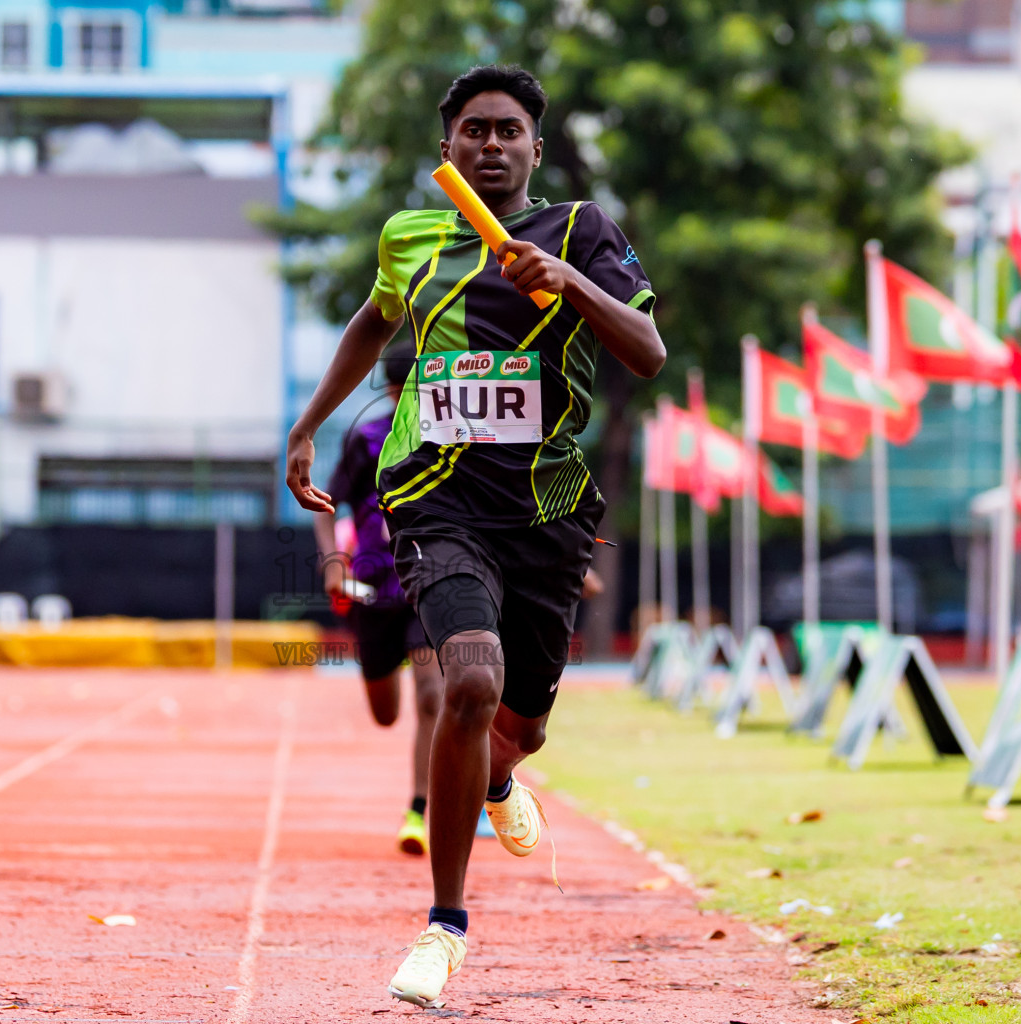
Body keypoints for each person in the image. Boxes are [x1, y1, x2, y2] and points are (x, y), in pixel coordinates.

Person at [284, 64, 664, 1008]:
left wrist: (568, 283)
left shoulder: (582, 233)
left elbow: (647, 354)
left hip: (544, 512)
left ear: (535, 148)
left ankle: (497, 780)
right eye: (472, 131)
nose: (489, 145)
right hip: (433, 499)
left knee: (520, 727)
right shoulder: (409, 238)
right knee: (469, 681)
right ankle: (444, 926)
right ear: (445, 147)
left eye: (508, 132)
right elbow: (371, 327)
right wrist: (307, 427)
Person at [313, 342, 445, 855]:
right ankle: (420, 796)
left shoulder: (449, 437)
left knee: (432, 693)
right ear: (394, 389)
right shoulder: (367, 438)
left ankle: (418, 810)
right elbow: (326, 503)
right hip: (373, 588)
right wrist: (332, 561)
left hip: (429, 583)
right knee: (386, 713)